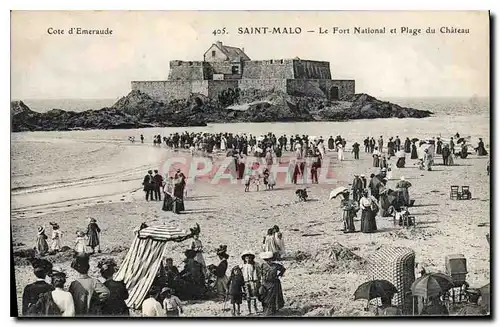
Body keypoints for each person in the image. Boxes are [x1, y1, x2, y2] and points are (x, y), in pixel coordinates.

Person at [259, 251, 286, 316]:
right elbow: (261, 274)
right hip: (265, 283)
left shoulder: (275, 266)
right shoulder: (263, 265)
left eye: (269, 260)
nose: (268, 261)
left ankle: (274, 310)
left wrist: (279, 275)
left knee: (274, 297)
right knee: (265, 297)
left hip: (274, 283)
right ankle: (266, 310)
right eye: (266, 260)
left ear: (271, 259)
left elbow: (283, 269)